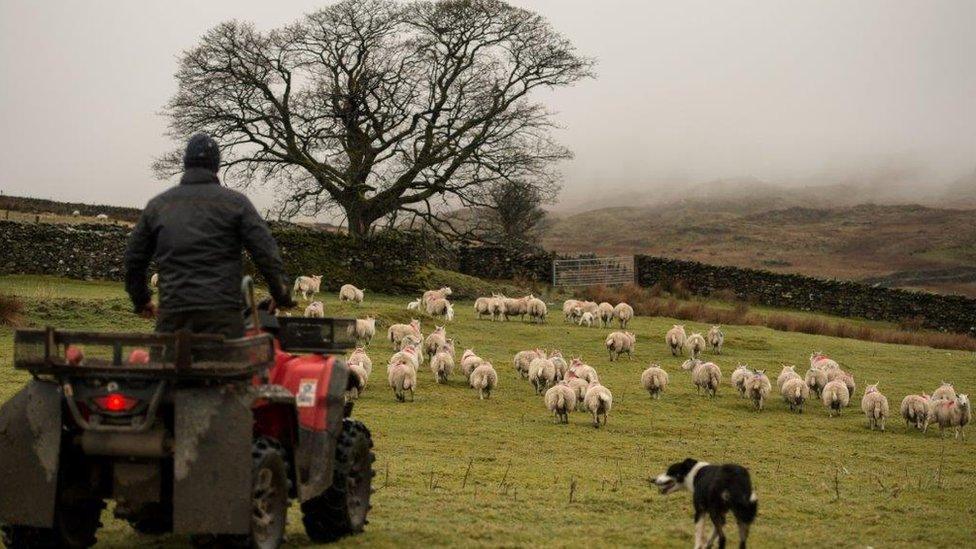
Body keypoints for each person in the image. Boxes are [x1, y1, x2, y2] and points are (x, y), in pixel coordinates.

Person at [124, 133, 295, 338]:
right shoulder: (236, 204)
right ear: (216, 166)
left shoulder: (159, 206)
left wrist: (141, 300)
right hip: (223, 317)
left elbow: (134, 259)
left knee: (170, 367)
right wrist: (281, 294)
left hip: (173, 315)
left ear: (186, 163)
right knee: (227, 369)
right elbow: (267, 253)